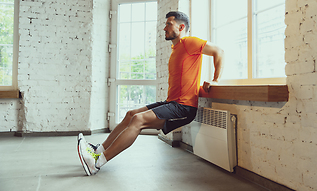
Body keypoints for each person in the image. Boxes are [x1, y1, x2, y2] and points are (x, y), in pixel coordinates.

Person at [77, 11, 224, 176]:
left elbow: (219, 51)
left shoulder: (190, 42)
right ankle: (99, 149)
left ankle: (97, 162)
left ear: (181, 27)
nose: (164, 28)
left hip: (184, 107)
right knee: (131, 114)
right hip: (172, 103)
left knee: (138, 120)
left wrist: (216, 79)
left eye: (169, 24)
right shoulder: (176, 48)